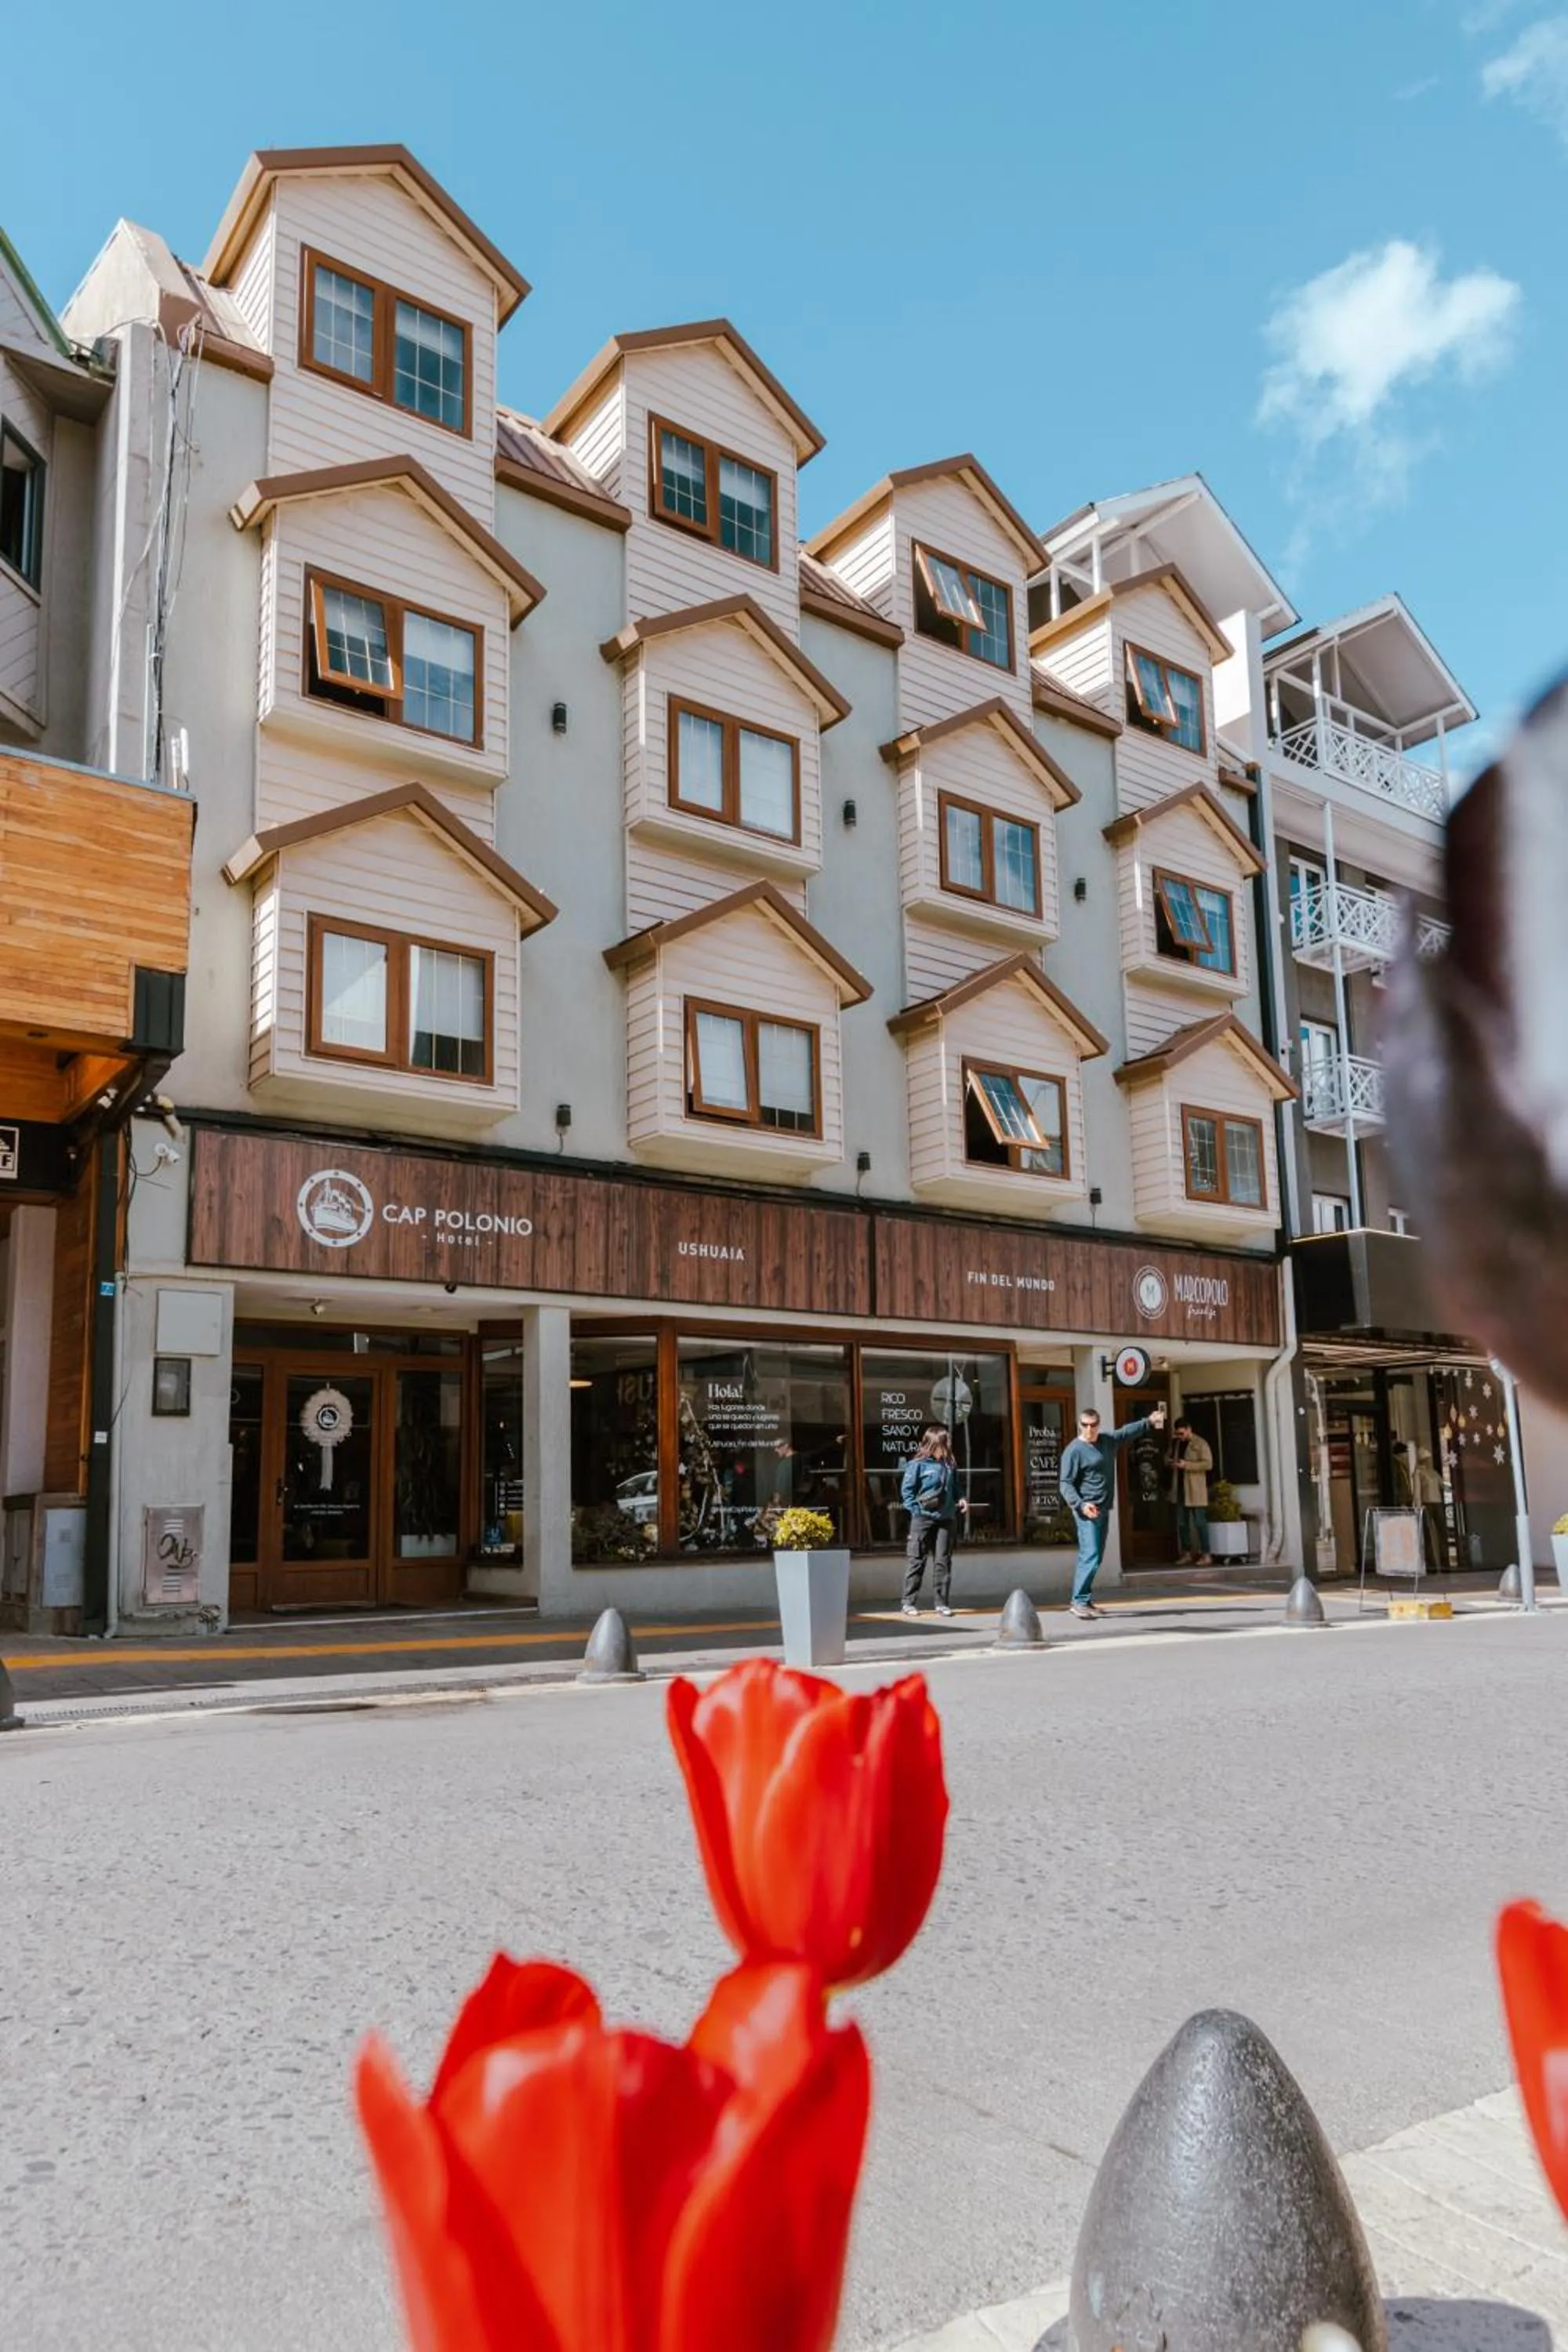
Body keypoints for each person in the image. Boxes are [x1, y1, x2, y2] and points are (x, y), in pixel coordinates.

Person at [1059, 1403, 1168, 1619]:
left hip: (1103, 1508)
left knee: (1095, 1556)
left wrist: (1148, 1421)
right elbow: (1065, 1483)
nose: (1089, 1429)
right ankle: (1078, 1601)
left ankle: (1085, 1600)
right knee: (1090, 1555)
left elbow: (1126, 1432)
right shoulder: (1073, 1450)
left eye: (1093, 1425)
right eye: (1085, 1425)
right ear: (1079, 1425)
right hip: (1087, 1510)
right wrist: (1081, 1505)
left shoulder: (1106, 1441)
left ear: (1099, 1425)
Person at [899, 1426, 967, 1617]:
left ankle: (942, 1603)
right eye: (944, 1444)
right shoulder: (917, 1465)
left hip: (946, 1519)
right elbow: (907, 1492)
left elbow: (956, 1487)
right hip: (923, 1519)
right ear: (933, 1444)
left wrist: (961, 1498)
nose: (947, 1447)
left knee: (943, 1562)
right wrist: (917, 1513)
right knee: (917, 1560)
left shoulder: (949, 1464)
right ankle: (908, 1602)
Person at [1167, 1417, 1214, 1564]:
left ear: (1189, 1429)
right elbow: (1167, 1457)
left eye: (1182, 1434)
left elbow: (1208, 1464)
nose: (1180, 1437)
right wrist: (1170, 1462)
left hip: (1195, 1489)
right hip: (1180, 1488)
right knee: (1182, 1523)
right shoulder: (1175, 1444)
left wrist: (1187, 1465)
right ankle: (1186, 1553)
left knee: (1200, 1522)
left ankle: (1206, 1554)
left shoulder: (1200, 1443)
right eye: (1178, 1434)